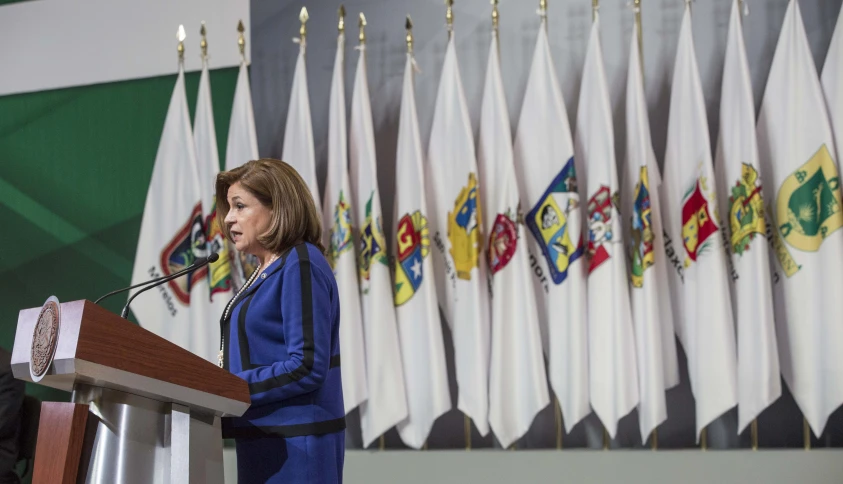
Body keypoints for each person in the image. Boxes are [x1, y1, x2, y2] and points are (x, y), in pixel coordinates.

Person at [215, 158, 345, 483]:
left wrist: (232, 389)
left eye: (240, 206)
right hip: (264, 437)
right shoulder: (267, 268)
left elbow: (306, 365)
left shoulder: (300, 264)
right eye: (229, 207)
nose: (228, 218)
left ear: (277, 208)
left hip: (297, 444)